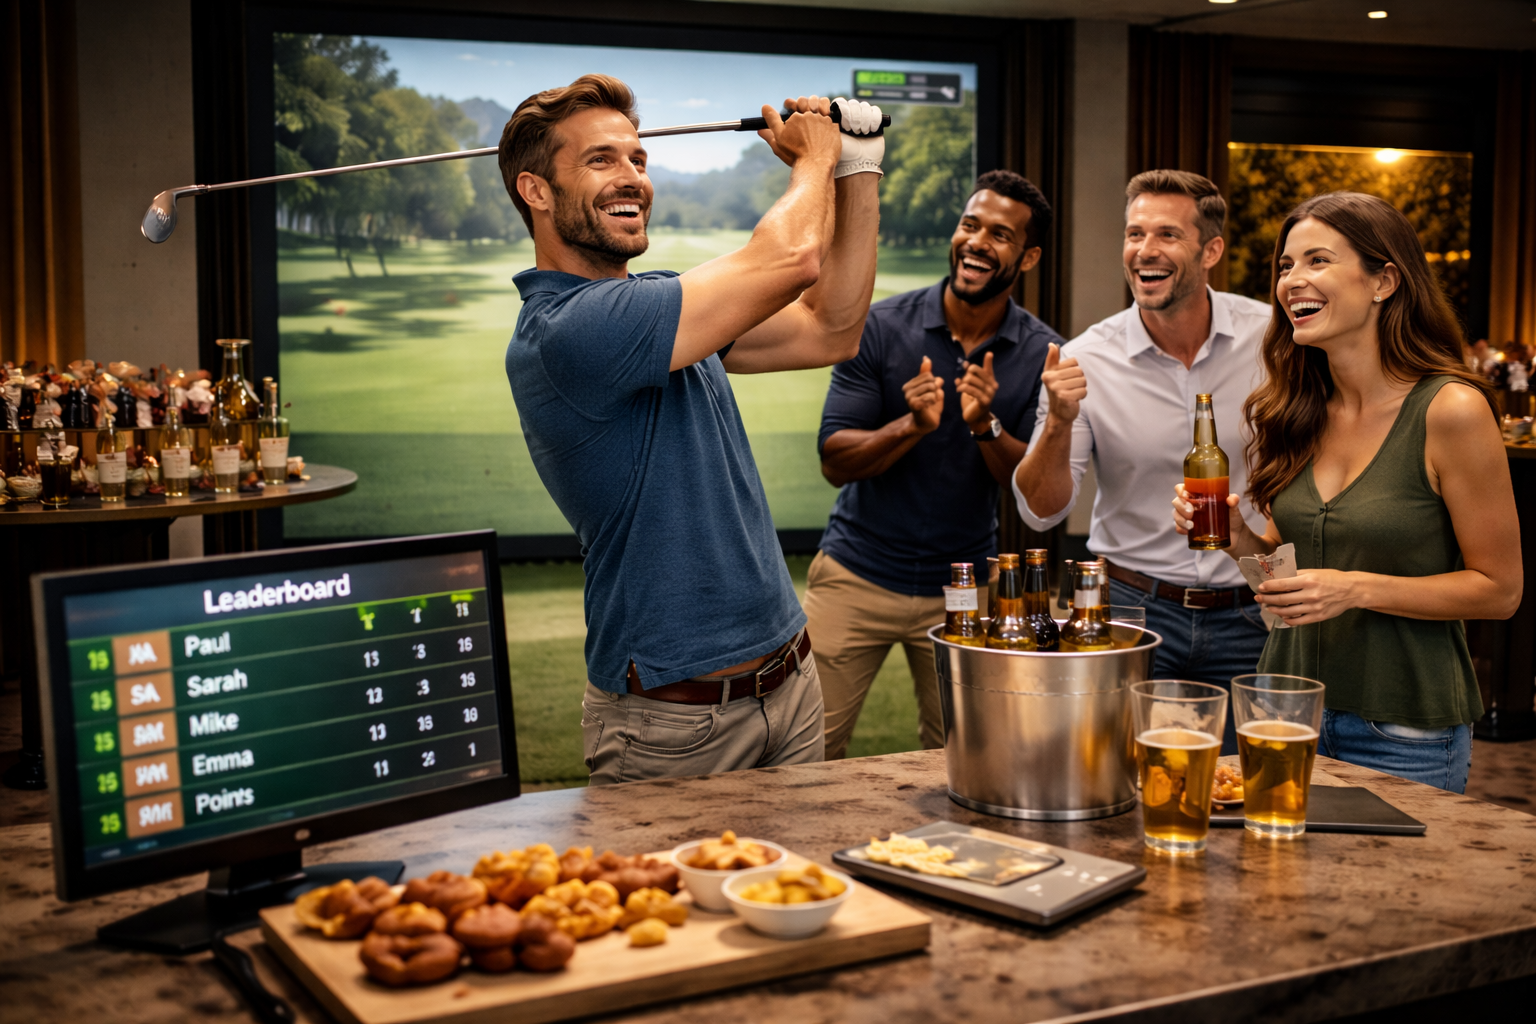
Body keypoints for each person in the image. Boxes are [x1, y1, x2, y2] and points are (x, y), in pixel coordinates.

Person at [499, 75, 885, 784]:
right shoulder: (568, 332)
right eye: (600, 160)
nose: (632, 178)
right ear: (536, 191)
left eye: (638, 160)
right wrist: (815, 158)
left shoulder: (656, 306)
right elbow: (790, 260)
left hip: (791, 683)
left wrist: (860, 165)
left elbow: (833, 327)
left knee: (795, 896)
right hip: (676, 725)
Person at [1172, 191, 1522, 793]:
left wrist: (1355, 588)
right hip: (1282, 712)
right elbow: (1280, 582)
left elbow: (1500, 591)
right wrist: (1237, 542)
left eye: (1317, 261)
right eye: (1285, 266)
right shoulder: (1296, 410)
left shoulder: (1450, 410)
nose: (1291, 281)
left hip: (1402, 728)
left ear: (1384, 280)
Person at [1013, 169, 1272, 752]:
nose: (1144, 252)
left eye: (1166, 235)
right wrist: (1057, 419)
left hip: (1252, 611)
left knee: (1244, 792)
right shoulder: (1085, 359)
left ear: (1211, 250)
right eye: (1134, 235)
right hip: (1133, 611)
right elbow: (1040, 511)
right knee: (1120, 784)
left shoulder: (1273, 342)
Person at [805, 170, 1059, 759]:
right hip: (855, 575)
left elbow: (1032, 492)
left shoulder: (1046, 353)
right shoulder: (881, 326)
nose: (976, 241)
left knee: (966, 757)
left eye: (1000, 234)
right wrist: (911, 426)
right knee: (803, 754)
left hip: (964, 588)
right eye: (970, 225)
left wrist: (983, 425)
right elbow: (834, 460)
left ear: (1028, 257)